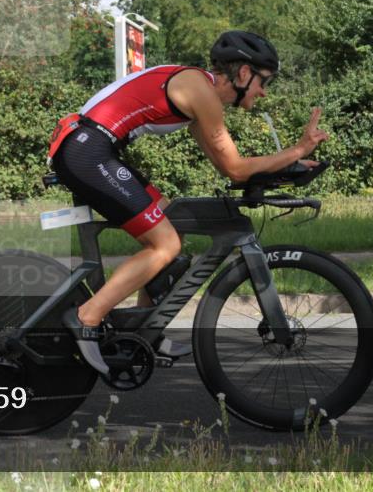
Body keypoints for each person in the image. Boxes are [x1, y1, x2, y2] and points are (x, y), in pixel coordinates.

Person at [46, 30, 328, 374]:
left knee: (173, 234)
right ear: (243, 74)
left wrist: (288, 165)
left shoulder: (198, 97)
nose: (263, 91)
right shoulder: (200, 91)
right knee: (164, 244)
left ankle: (144, 330)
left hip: (93, 149)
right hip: (88, 151)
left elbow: (227, 166)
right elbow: (238, 170)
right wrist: (296, 151)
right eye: (262, 81)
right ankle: (85, 317)